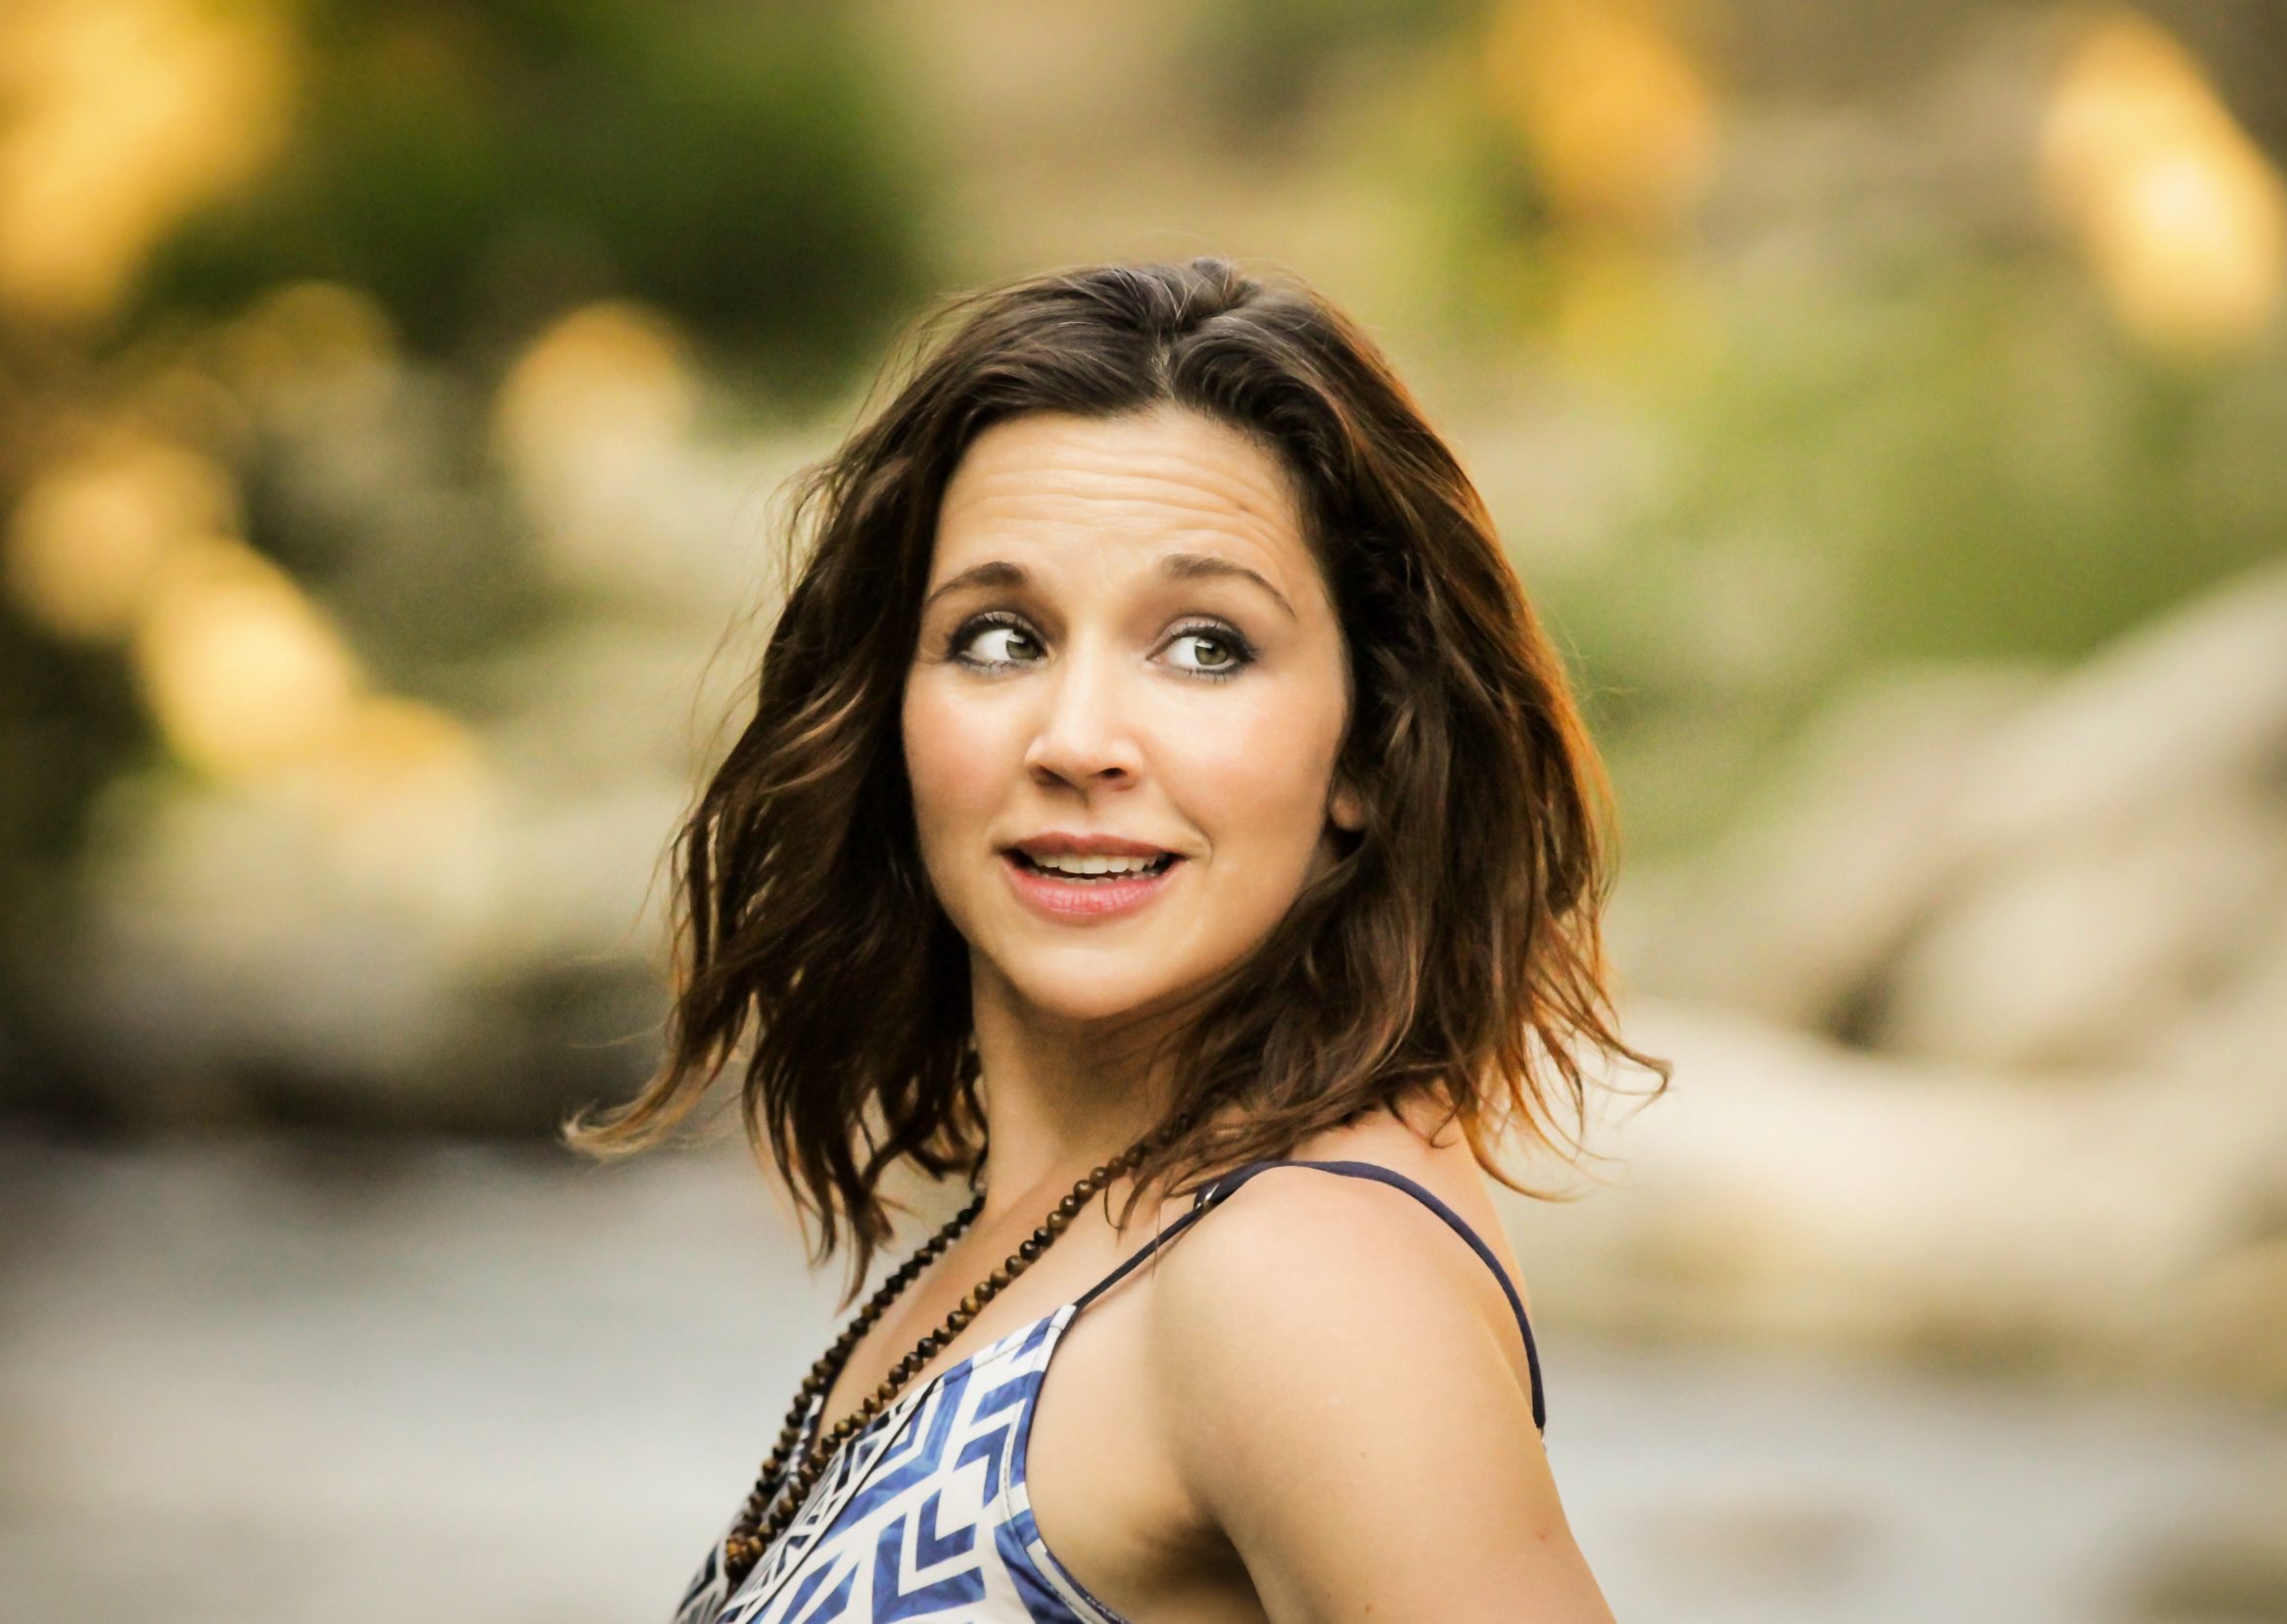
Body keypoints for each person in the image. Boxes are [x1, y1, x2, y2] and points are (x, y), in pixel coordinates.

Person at [566, 255, 1669, 1622]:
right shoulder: (1043, 1249)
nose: (1078, 740)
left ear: (1367, 749)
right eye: (998, 638)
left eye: (1205, 647)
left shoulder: (1302, 1278)